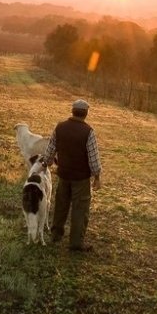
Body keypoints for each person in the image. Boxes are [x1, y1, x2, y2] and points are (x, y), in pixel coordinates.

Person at [39, 99, 101, 251]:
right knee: (80, 209)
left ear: (72, 111)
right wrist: (97, 176)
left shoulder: (60, 128)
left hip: (63, 174)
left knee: (61, 205)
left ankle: (56, 234)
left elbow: (50, 149)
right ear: (86, 113)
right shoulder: (88, 132)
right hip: (81, 179)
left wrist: (45, 164)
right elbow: (93, 158)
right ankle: (75, 243)